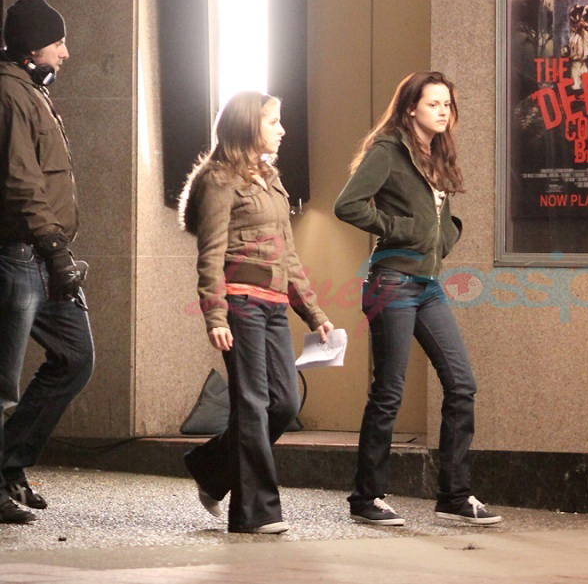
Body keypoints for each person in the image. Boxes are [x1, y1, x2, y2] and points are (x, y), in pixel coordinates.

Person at [334, 71, 501, 527]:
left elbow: (439, 215)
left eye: (447, 104)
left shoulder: (435, 154)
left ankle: (454, 495)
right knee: (388, 391)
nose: (443, 111)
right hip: (391, 281)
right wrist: (402, 230)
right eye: (433, 104)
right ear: (411, 108)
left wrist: (444, 236)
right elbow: (348, 205)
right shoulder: (388, 151)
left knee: (462, 384)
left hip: (427, 285)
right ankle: (366, 498)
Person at [179, 91, 333, 534]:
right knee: (251, 404)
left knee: (283, 404)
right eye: (273, 121)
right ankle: (256, 513)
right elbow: (210, 254)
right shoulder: (218, 180)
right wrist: (215, 315)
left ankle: (210, 467)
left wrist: (314, 313)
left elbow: (289, 256)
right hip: (240, 303)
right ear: (248, 125)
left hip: (275, 304)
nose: (282, 130)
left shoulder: (271, 179)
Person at [0, 0, 93, 525]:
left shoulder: (31, 88)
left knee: (75, 358)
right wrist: (55, 250)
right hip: (22, 256)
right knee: (2, 384)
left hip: (44, 254)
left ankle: (8, 463)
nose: (66, 52)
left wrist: (56, 252)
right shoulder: (10, 93)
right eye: (58, 42)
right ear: (33, 47)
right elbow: (21, 182)